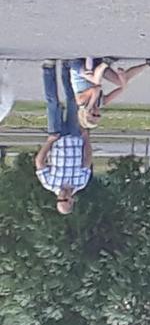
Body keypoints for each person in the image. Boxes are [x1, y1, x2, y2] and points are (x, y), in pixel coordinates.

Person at [36, 61, 92, 214]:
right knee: (73, 101)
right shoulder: (81, 182)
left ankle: (48, 70)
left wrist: (49, 141)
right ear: (71, 200)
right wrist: (86, 138)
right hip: (75, 136)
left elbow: (39, 162)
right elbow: (87, 160)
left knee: (53, 103)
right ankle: (67, 69)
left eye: (59, 200)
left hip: (57, 137)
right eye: (65, 200)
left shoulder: (49, 183)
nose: (62, 197)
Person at [71, 57, 150, 129]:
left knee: (96, 81)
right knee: (119, 82)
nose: (96, 112)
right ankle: (148, 64)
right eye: (98, 115)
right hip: (96, 71)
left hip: (80, 70)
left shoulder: (81, 102)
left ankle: (105, 63)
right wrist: (122, 77)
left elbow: (96, 89)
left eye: (93, 115)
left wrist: (90, 104)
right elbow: (122, 89)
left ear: (86, 114)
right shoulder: (101, 103)